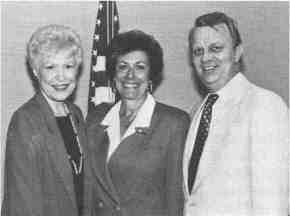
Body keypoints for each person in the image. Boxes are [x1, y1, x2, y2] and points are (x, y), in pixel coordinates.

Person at [183, 12, 289, 215]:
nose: (206, 58)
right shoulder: (195, 113)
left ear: (238, 52)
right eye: (198, 51)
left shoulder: (265, 105)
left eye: (216, 48)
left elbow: (272, 204)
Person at [86, 30, 190, 216]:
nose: (130, 76)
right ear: (113, 74)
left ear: (151, 75)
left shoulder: (174, 123)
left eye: (140, 67)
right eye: (123, 66)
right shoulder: (96, 119)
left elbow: (175, 199)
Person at [1, 24, 90, 216]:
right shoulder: (25, 121)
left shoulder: (75, 114)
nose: (61, 77)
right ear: (35, 71)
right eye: (50, 67)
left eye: (68, 66)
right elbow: (22, 202)